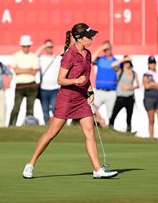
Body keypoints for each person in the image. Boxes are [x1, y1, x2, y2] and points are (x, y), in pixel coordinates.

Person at [22, 23, 118, 180]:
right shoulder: (69, 55)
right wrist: (75, 80)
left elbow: (86, 78)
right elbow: (60, 80)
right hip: (66, 99)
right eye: (89, 37)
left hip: (81, 99)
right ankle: (30, 164)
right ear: (79, 39)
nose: (92, 39)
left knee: (90, 132)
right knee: (52, 133)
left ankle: (97, 169)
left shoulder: (87, 54)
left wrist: (90, 91)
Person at [9, 35, 39, 125]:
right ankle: (11, 125)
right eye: (24, 46)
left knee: (30, 108)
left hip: (31, 85)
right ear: (21, 46)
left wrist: (21, 69)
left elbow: (34, 72)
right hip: (20, 85)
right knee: (16, 107)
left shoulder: (34, 56)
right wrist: (28, 69)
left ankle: (28, 126)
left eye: (27, 46)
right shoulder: (15, 56)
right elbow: (16, 71)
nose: (26, 48)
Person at [109, 56, 140, 133]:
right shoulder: (120, 71)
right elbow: (112, 65)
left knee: (129, 117)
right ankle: (110, 127)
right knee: (114, 114)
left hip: (130, 98)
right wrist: (124, 59)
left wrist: (130, 88)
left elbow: (138, 85)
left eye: (128, 62)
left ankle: (129, 130)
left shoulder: (133, 73)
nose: (127, 64)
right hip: (120, 98)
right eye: (126, 62)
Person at [91, 41, 118, 123]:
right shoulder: (100, 60)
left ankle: (109, 128)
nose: (107, 50)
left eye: (108, 48)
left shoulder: (116, 61)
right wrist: (101, 48)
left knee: (111, 114)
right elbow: (91, 59)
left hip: (111, 92)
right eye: (105, 49)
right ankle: (100, 122)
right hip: (99, 91)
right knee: (91, 108)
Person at [35, 39, 60, 124]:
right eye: (47, 47)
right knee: (45, 110)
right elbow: (34, 56)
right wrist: (43, 46)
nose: (49, 49)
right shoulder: (41, 58)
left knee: (54, 108)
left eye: (51, 47)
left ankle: (56, 125)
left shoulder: (57, 58)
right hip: (43, 88)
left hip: (55, 88)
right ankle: (46, 124)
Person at [143, 56, 158, 141]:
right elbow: (147, 85)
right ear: (148, 64)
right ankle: (151, 138)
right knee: (151, 120)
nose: (152, 65)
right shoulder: (146, 74)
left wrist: (153, 84)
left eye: (154, 63)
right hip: (150, 99)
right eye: (151, 63)